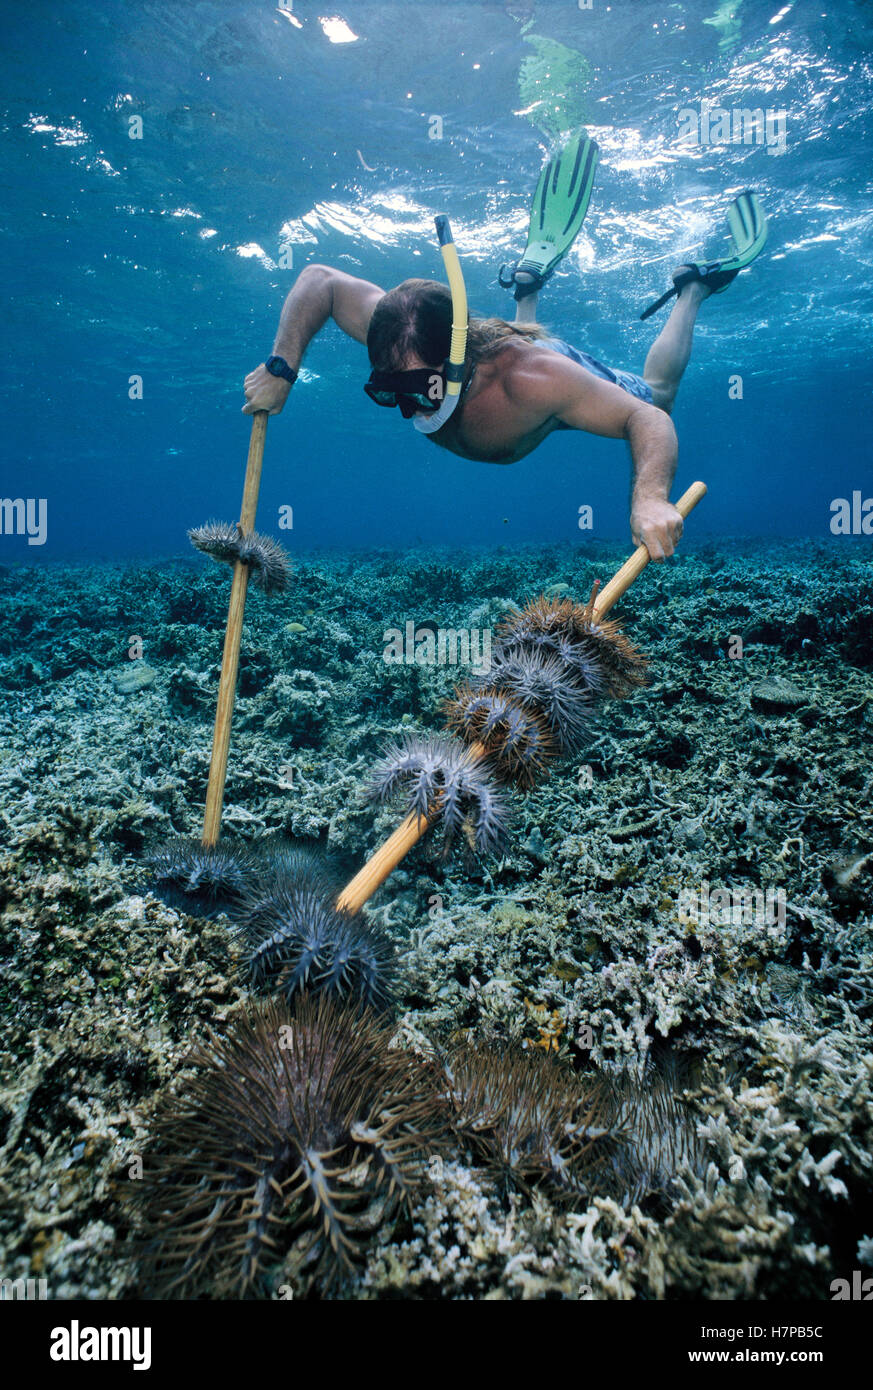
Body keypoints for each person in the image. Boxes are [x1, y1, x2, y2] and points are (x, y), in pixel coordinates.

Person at [243, 139, 766, 564]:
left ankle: (693, 288)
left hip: (536, 365)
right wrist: (281, 369)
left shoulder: (535, 379)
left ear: (457, 354)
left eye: (421, 389)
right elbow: (320, 280)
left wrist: (649, 498)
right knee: (513, 345)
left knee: (662, 392)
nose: (412, 408)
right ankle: (527, 288)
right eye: (389, 393)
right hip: (491, 354)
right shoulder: (400, 333)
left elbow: (647, 418)